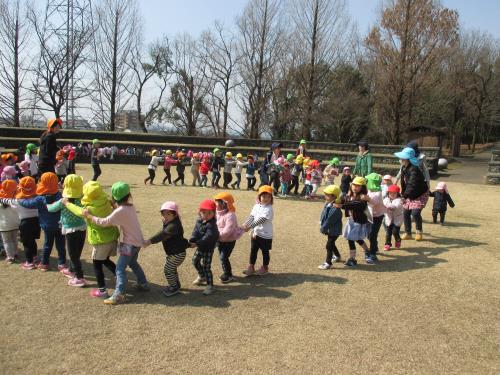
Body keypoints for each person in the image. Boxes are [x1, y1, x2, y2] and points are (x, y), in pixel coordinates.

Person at [84, 182, 149, 305]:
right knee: (133, 263)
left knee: (119, 269)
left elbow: (104, 222)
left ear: (114, 197)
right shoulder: (130, 206)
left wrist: (89, 216)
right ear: (128, 194)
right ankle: (143, 283)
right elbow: (119, 211)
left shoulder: (120, 211)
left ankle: (119, 294)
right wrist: (113, 205)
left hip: (128, 244)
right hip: (137, 242)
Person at [64, 181, 119, 298]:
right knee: (105, 259)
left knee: (97, 264)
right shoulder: (106, 202)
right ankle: (119, 275)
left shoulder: (89, 208)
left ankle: (102, 290)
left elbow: (78, 210)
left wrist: (67, 203)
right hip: (112, 237)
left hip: (100, 241)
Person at [12, 172, 67, 271]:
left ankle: (45, 263)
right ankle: (62, 263)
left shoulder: (40, 198)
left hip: (47, 226)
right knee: (61, 245)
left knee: (47, 245)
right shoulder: (60, 195)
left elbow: (28, 204)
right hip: (60, 225)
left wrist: (19, 200)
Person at [47, 174, 87, 287]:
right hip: (82, 228)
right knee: (76, 253)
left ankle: (79, 277)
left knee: (73, 255)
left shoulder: (63, 201)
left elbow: (51, 209)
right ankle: (70, 269)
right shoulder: (82, 199)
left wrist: (45, 204)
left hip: (71, 230)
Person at [144, 201, 189, 297]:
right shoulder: (170, 222)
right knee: (172, 269)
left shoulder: (173, 225)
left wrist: (149, 241)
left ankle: (173, 287)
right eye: (163, 213)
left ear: (175, 214)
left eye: (168, 214)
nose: (165, 216)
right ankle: (176, 285)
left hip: (177, 253)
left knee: (168, 269)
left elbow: (163, 234)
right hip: (173, 253)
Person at [394, 147, 429, 241]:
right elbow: (404, 183)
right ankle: (408, 233)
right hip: (410, 193)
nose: (400, 160)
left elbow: (411, 184)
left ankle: (419, 232)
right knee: (406, 212)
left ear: (407, 159)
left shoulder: (414, 169)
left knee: (415, 213)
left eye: (402, 158)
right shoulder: (404, 168)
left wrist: (404, 196)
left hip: (420, 194)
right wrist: (403, 194)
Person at [242, 185, 274, 275]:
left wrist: (250, 226)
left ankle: (265, 267)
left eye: (269, 197)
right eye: (264, 196)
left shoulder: (269, 208)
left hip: (265, 234)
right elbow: (252, 216)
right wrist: (245, 224)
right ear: (259, 196)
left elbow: (261, 220)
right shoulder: (256, 206)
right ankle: (251, 267)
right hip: (255, 233)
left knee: (265, 251)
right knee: (253, 250)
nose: (266, 198)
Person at [189, 199, 219, 295]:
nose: (206, 215)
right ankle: (202, 276)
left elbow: (208, 237)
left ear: (213, 213)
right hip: (200, 246)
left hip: (208, 248)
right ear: (199, 212)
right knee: (195, 260)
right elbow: (196, 231)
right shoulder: (199, 221)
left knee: (206, 267)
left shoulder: (212, 225)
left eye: (209, 213)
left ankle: (210, 285)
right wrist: (192, 240)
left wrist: (197, 243)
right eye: (203, 212)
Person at [341, 177, 372, 266]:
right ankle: (367, 251)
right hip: (351, 220)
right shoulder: (348, 195)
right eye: (354, 185)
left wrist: (341, 205)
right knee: (356, 239)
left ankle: (352, 258)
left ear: (362, 187)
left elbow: (355, 205)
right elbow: (343, 200)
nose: (355, 187)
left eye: (358, 186)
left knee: (352, 238)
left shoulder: (363, 197)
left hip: (358, 221)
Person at [214, 193, 244, 283]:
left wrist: (216, 235)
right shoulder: (216, 213)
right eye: (216, 202)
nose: (216, 204)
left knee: (224, 257)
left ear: (225, 203)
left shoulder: (231, 215)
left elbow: (228, 230)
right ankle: (226, 272)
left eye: (218, 202)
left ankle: (228, 274)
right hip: (220, 240)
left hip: (229, 241)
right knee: (222, 257)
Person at [13, 177, 40, 269]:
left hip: (25, 223)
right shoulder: (37, 199)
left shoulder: (18, 201)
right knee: (32, 241)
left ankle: (29, 262)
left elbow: (8, 201)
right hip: (36, 221)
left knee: (26, 243)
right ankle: (35, 257)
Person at [318, 185, 343, 270]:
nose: (325, 196)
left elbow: (330, 220)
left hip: (334, 230)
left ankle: (328, 263)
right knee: (331, 243)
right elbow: (324, 214)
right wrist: (321, 222)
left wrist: (323, 228)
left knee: (329, 245)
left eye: (327, 195)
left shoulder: (335, 208)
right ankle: (337, 256)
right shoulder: (328, 204)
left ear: (334, 196)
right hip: (330, 229)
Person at [366, 173, 386, 263]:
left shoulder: (378, 192)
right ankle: (375, 246)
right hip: (370, 215)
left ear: (372, 182)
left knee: (373, 234)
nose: (366, 182)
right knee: (369, 234)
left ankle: (373, 254)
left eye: (368, 181)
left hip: (378, 216)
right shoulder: (369, 190)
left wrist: (366, 199)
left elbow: (374, 202)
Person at [0, 180, 20, 263]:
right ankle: (15, 253)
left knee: (7, 241)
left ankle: (10, 256)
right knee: (14, 239)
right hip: (15, 223)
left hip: (4, 226)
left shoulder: (1, 200)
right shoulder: (16, 200)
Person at [383, 185, 404, 251]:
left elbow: (394, 207)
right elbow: (383, 205)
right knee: (388, 232)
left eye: (394, 193)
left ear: (397, 194)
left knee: (395, 232)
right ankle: (387, 244)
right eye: (390, 193)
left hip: (397, 219)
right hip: (389, 218)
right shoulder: (386, 199)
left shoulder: (399, 200)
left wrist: (386, 206)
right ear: (388, 193)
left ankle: (398, 240)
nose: (392, 194)